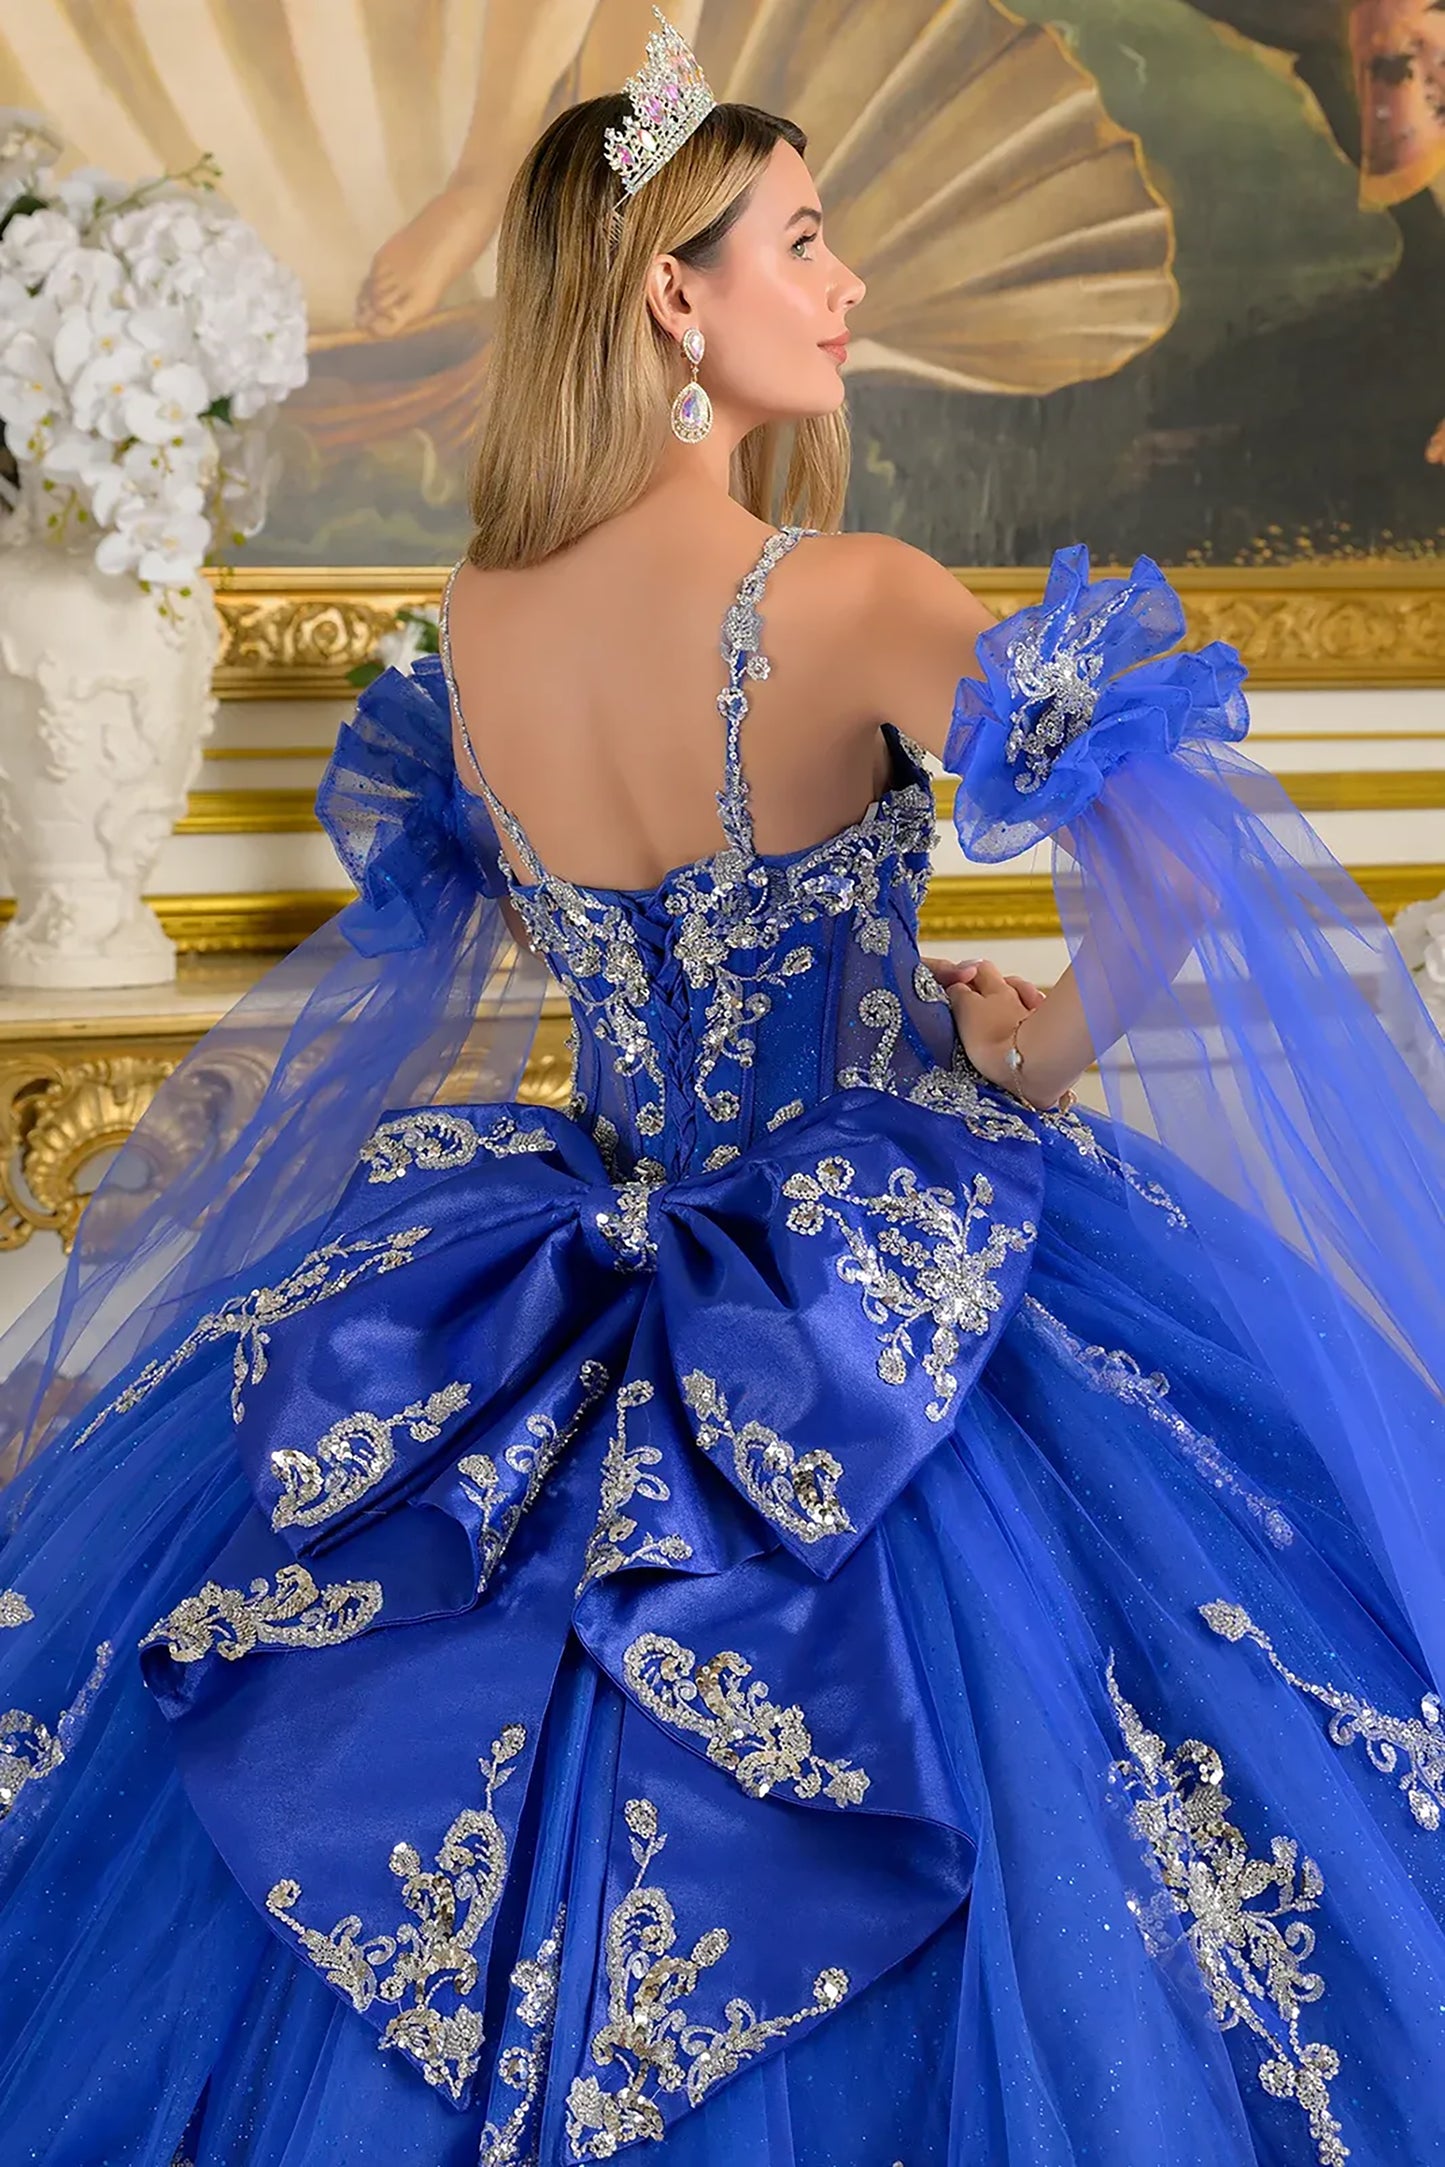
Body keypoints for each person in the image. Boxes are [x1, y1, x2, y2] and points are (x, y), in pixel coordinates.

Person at [2, 12, 1443, 2165]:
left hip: (556, 1278)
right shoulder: (846, 597)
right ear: (677, 296)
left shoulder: (466, 632)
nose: (847, 280)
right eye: (806, 236)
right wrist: (1027, 1045)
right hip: (865, 1299)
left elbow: (472, 954)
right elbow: (1166, 851)